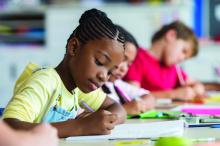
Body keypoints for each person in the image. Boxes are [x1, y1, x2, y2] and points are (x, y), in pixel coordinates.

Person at [3, 8, 126, 138]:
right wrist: (81, 126)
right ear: (73, 47)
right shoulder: (46, 82)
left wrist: (105, 121)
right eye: (99, 62)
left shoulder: (77, 88)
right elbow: (9, 126)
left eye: (110, 72)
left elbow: (117, 108)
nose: (103, 76)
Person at [124, 21, 205, 101]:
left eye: (185, 58)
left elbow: (195, 84)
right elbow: (131, 95)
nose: (181, 59)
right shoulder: (137, 58)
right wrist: (174, 94)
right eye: (183, 51)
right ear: (171, 35)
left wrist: (196, 88)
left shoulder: (173, 68)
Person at [103, 25, 155, 115]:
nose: (124, 68)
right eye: (123, 59)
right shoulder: (92, 87)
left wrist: (140, 104)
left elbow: (150, 97)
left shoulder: (116, 84)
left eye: (129, 64)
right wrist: (124, 110)